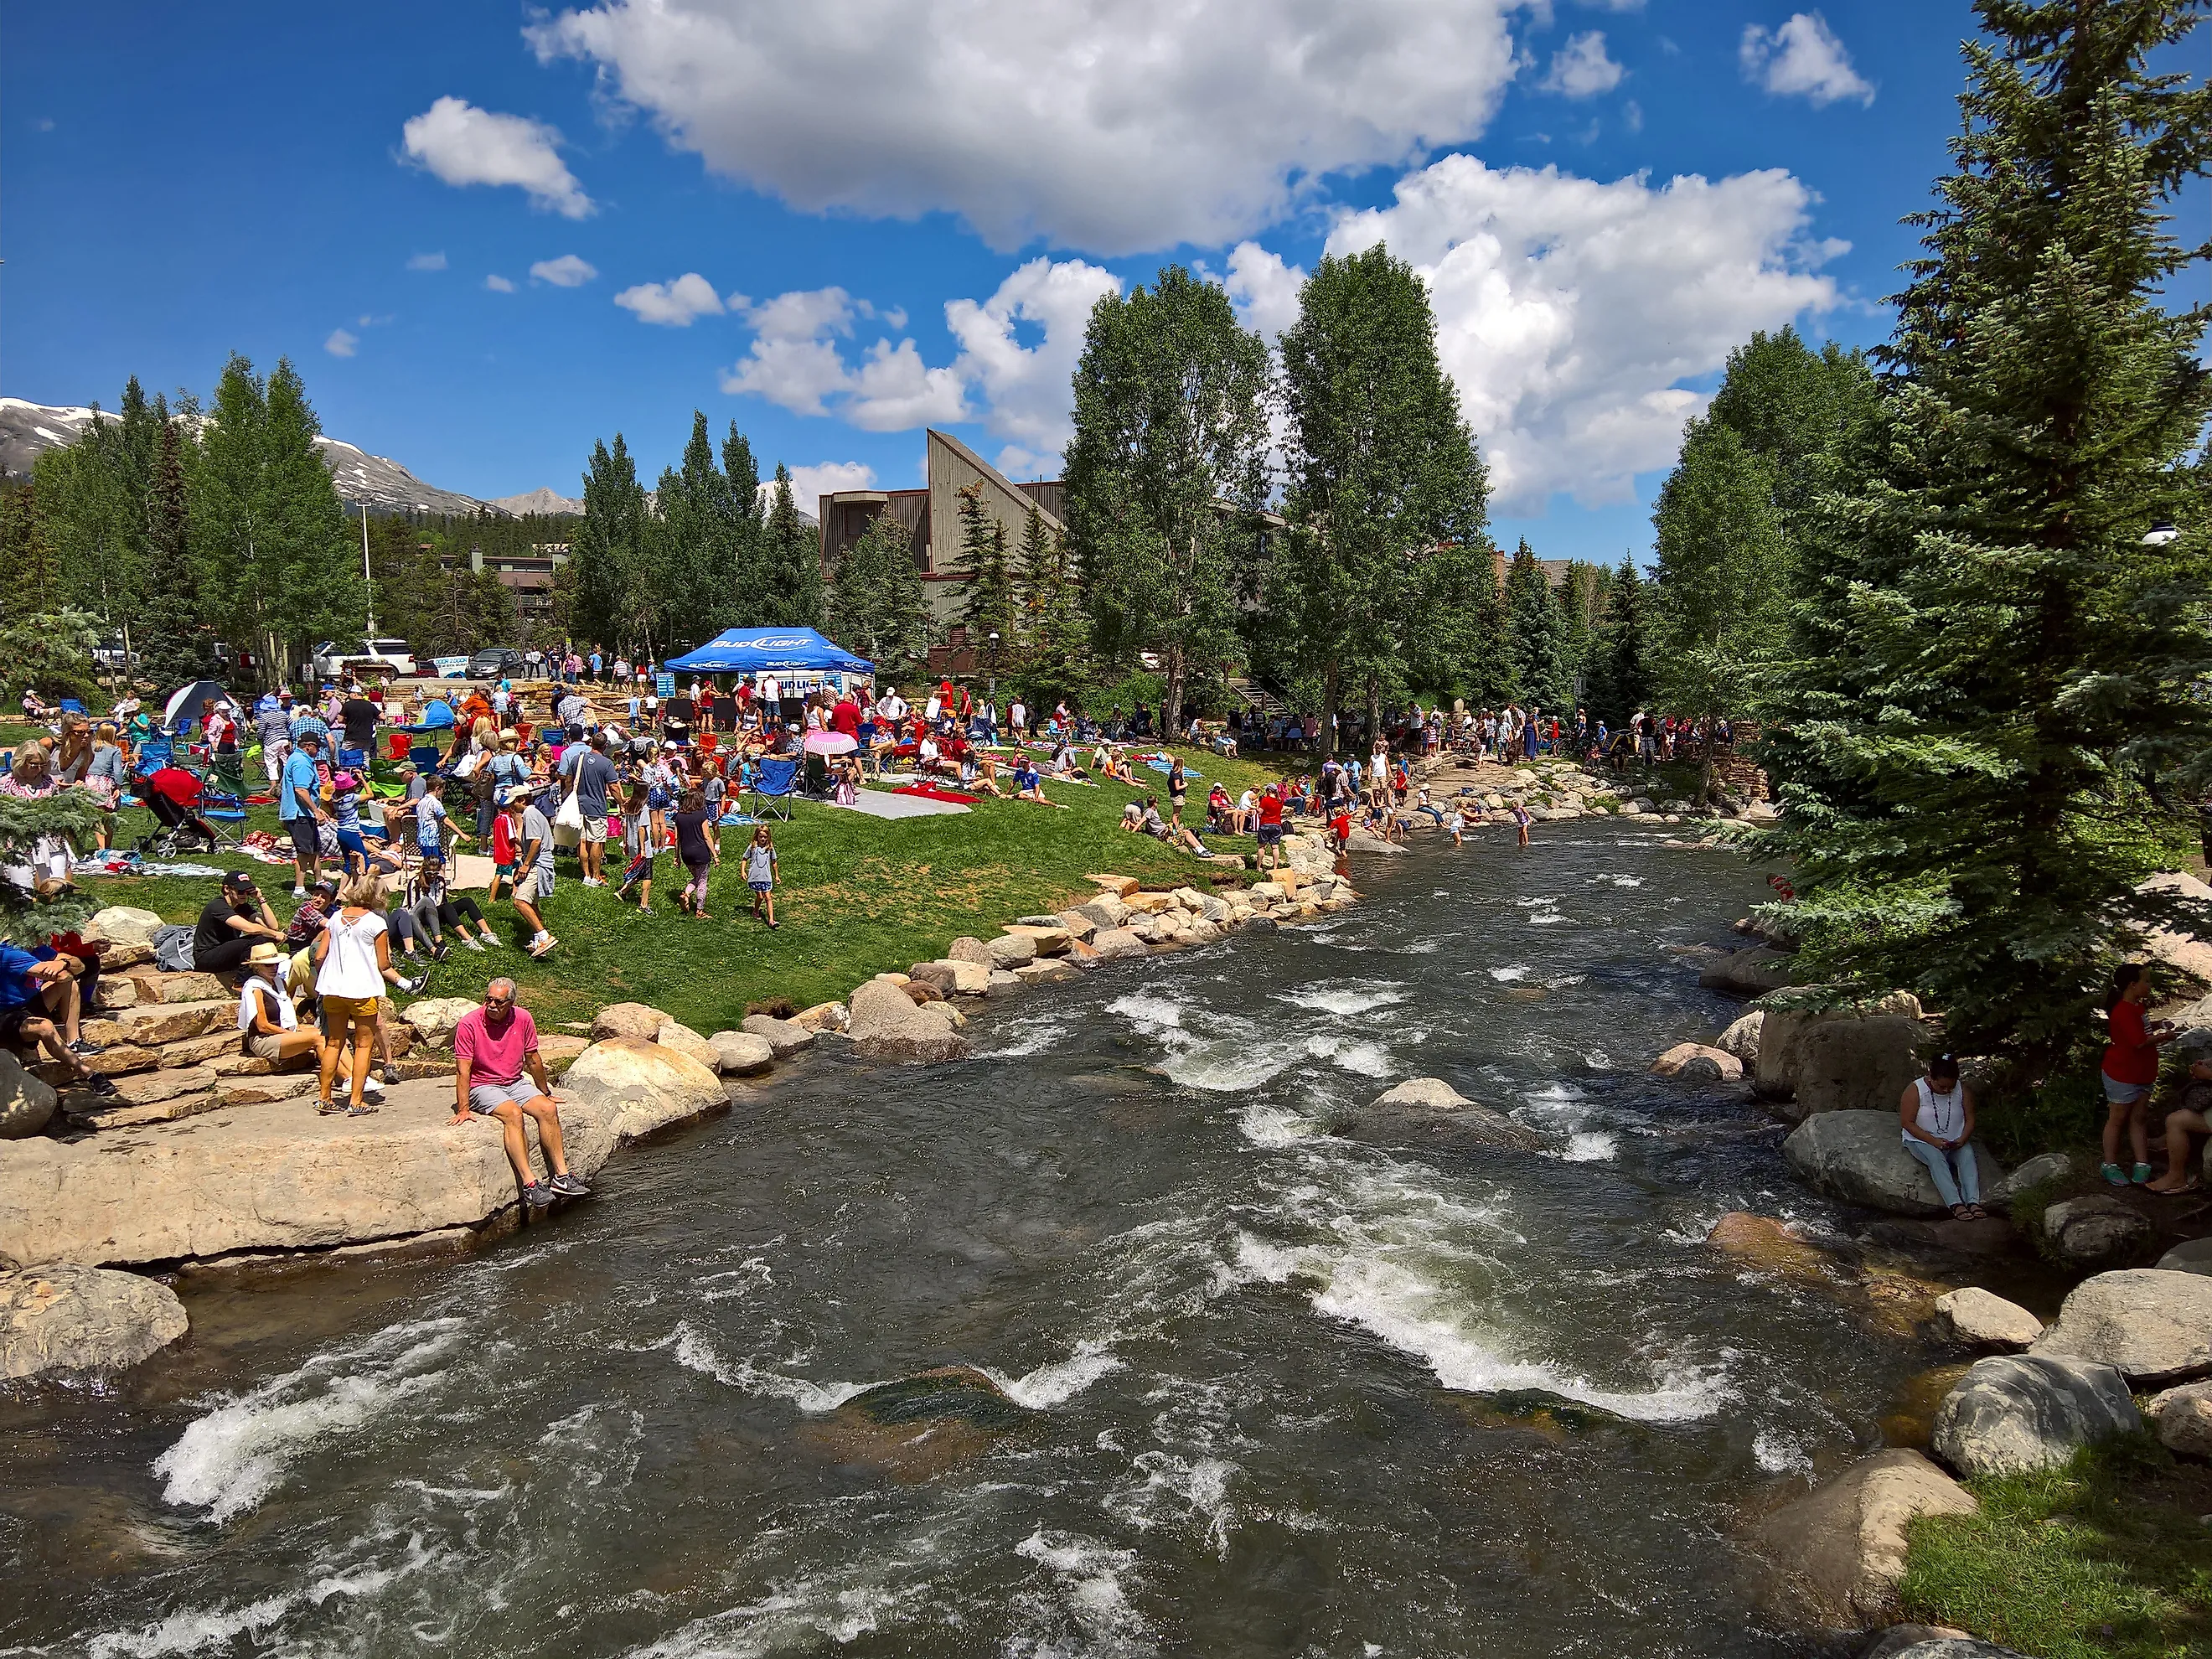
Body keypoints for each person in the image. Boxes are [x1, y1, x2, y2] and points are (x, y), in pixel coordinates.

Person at [450, 979, 588, 1208]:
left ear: (511, 1002)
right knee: (513, 1113)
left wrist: (545, 1092)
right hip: (482, 1085)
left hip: (514, 1082)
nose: (491, 1005)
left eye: (498, 1002)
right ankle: (529, 1183)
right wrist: (463, 1108)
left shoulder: (523, 1018)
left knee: (548, 1109)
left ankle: (562, 1177)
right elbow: (463, 1069)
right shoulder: (469, 1023)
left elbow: (533, 1059)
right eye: (488, 999)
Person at [313, 874, 394, 1116]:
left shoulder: (335, 917)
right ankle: (356, 1100)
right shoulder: (376, 923)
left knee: (334, 1042)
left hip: (332, 988)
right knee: (363, 1045)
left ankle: (324, 1097)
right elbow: (383, 963)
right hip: (362, 990)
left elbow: (319, 955)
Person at [0, 943, 116, 1093]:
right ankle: (89, 1073)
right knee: (45, 1026)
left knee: (70, 984)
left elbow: (80, 965)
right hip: (6, 1014)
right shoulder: (10, 953)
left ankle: (74, 1041)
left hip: (27, 1003)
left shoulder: (38, 947)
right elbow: (62, 976)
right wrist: (65, 968)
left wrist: (63, 963)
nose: (51, 935)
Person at [2101, 963, 2169, 1185]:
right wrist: (2166, 1037)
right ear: (2132, 984)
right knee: (2117, 1119)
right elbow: (2138, 1042)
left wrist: (2159, 1024)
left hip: (2142, 1073)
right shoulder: (2123, 1010)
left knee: (2139, 1118)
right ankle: (2109, 1165)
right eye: (2146, 981)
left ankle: (2142, 1163)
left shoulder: (2137, 1007)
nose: (2149, 985)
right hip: (2123, 1074)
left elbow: (2141, 1029)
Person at [1898, 1053, 1984, 1220]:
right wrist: (1934, 1141)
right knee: (1936, 1159)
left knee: (1967, 1156)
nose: (1947, 1091)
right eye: (1942, 1087)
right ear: (1931, 1077)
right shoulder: (1915, 1090)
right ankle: (1955, 1204)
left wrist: (1962, 1139)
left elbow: (1970, 1119)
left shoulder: (1962, 1090)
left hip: (1954, 1141)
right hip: (1922, 1140)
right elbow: (1907, 1122)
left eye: (1951, 1087)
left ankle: (1973, 1202)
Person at [236, 940, 328, 1068]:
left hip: (282, 1032)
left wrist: (295, 1030)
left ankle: (350, 1074)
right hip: (264, 1039)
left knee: (328, 1034)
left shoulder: (280, 983)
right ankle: (340, 1076)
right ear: (256, 967)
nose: (274, 968)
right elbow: (263, 1026)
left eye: (276, 964)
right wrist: (291, 1034)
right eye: (268, 965)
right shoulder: (254, 988)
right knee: (318, 1037)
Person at [402, 853, 499, 956]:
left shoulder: (440, 881)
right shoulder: (415, 882)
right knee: (446, 906)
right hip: (423, 916)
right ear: (423, 870)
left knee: (467, 901)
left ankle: (487, 933)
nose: (432, 876)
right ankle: (467, 938)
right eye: (429, 873)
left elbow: (442, 899)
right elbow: (412, 908)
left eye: (435, 873)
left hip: (438, 912)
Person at [194, 869, 285, 977]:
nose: (244, 895)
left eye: (247, 891)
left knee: (264, 938)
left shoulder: (242, 907)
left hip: (227, 953)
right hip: (207, 958)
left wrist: (260, 899)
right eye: (241, 891)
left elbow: (273, 926)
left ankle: (258, 973)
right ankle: (240, 981)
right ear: (227, 889)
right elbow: (250, 929)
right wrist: (274, 934)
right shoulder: (217, 906)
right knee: (256, 941)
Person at [562, 731, 620, 887]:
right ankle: (595, 877)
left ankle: (586, 875)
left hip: (578, 806)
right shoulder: (606, 763)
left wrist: (571, 795)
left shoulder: (577, 759)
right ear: (605, 746)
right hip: (597, 807)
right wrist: (621, 802)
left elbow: (568, 781)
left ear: (590, 743)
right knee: (596, 841)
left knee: (582, 841)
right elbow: (614, 787)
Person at [277, 729, 329, 896]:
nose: (318, 751)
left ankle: (319, 881)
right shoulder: (301, 762)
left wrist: (316, 809)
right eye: (317, 747)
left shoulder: (298, 758)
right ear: (308, 746)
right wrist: (315, 811)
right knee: (304, 852)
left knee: (314, 849)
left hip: (305, 812)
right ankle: (299, 889)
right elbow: (301, 790)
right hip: (300, 814)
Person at [511, 783, 559, 958]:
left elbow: (536, 841)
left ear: (522, 800)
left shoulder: (530, 814)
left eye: (513, 802)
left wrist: (526, 865)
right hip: (540, 861)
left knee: (520, 902)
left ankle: (544, 937)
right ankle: (539, 940)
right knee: (532, 903)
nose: (511, 807)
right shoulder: (533, 813)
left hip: (537, 863)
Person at [672, 787, 720, 919]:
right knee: (702, 881)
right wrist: (715, 855)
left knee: (697, 878)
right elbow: (707, 836)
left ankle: (686, 894)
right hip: (701, 853)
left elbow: (677, 838)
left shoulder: (679, 816)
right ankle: (699, 911)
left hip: (686, 854)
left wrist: (676, 856)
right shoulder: (701, 815)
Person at [614, 780, 657, 912]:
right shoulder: (643, 808)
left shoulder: (630, 806)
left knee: (639, 871)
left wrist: (625, 843)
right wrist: (643, 849)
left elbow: (625, 825)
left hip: (632, 844)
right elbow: (642, 829)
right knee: (647, 876)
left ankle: (623, 891)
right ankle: (644, 905)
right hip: (643, 847)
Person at [742, 822, 778, 928]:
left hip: (766, 877)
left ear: (768, 837)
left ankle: (771, 920)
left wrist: (776, 875)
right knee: (760, 896)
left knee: (768, 897)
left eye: (765, 837)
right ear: (757, 836)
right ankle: (756, 910)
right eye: (761, 836)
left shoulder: (770, 848)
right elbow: (744, 859)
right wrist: (743, 871)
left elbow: (774, 862)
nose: (763, 839)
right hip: (755, 877)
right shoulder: (753, 847)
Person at [1254, 785, 1285, 871]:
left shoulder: (1265, 800)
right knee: (1275, 847)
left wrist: (1257, 805)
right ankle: (1275, 867)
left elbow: (1260, 811)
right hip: (1277, 825)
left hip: (1265, 824)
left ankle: (1258, 867)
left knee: (1262, 847)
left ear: (1269, 790)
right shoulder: (1280, 800)